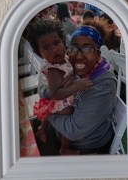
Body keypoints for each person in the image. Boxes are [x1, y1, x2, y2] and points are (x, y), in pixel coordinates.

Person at [45, 25, 118, 154]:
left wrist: (47, 112)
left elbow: (73, 130)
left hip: (84, 147)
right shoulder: (70, 68)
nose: (78, 56)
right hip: (59, 130)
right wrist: (52, 93)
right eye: (74, 48)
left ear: (98, 55)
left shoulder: (103, 85)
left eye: (87, 49)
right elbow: (45, 89)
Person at [26, 19, 92, 155]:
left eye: (57, 43)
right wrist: (77, 86)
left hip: (56, 100)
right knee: (69, 115)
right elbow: (56, 94)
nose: (54, 49)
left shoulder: (65, 58)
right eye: (46, 48)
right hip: (61, 100)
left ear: (63, 41)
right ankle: (64, 148)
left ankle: (42, 128)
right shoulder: (53, 70)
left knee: (48, 112)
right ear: (40, 54)